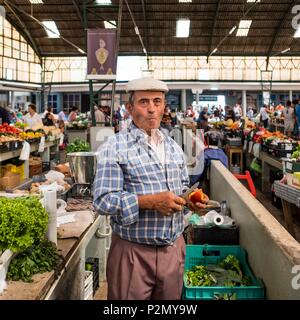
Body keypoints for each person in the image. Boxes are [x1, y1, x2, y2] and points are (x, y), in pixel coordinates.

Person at [93, 77, 206, 300]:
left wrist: (190, 201)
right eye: (144, 102)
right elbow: (103, 201)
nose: (152, 109)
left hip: (173, 251)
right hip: (133, 254)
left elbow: (182, 188)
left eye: (157, 101)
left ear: (164, 106)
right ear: (129, 108)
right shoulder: (114, 147)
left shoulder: (173, 146)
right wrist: (150, 202)